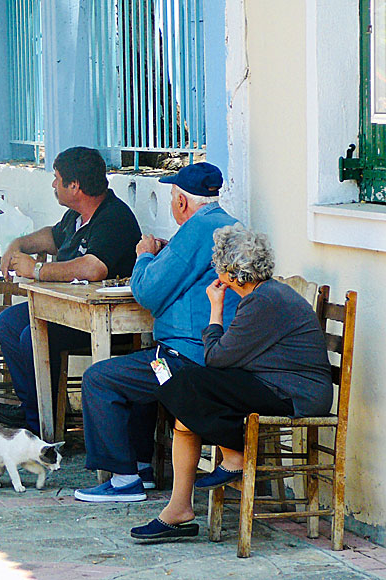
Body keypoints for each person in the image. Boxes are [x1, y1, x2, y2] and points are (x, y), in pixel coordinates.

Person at [130, 224, 333, 541]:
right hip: (275, 385)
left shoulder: (263, 302)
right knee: (187, 404)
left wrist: (214, 308)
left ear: (232, 273)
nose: (216, 270)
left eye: (220, 266)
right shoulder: (264, 296)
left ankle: (233, 456)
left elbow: (216, 357)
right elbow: (227, 359)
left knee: (187, 379)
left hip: (295, 396)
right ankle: (179, 508)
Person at [74, 162, 240, 503]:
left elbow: (147, 291)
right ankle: (140, 467)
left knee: (101, 378)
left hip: (189, 359)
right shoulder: (228, 224)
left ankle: (123, 481)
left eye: (172, 198)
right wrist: (165, 255)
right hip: (214, 353)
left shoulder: (196, 230)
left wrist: (144, 256)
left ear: (181, 202)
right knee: (140, 370)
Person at [0, 146, 142, 434]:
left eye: (58, 179)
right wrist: (18, 245)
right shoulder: (75, 216)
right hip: (65, 310)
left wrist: (36, 270)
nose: (53, 185)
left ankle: (41, 427)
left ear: (75, 186)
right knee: (9, 323)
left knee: (30, 336)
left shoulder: (114, 218)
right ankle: (33, 409)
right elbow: (52, 236)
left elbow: (93, 268)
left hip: (101, 319)